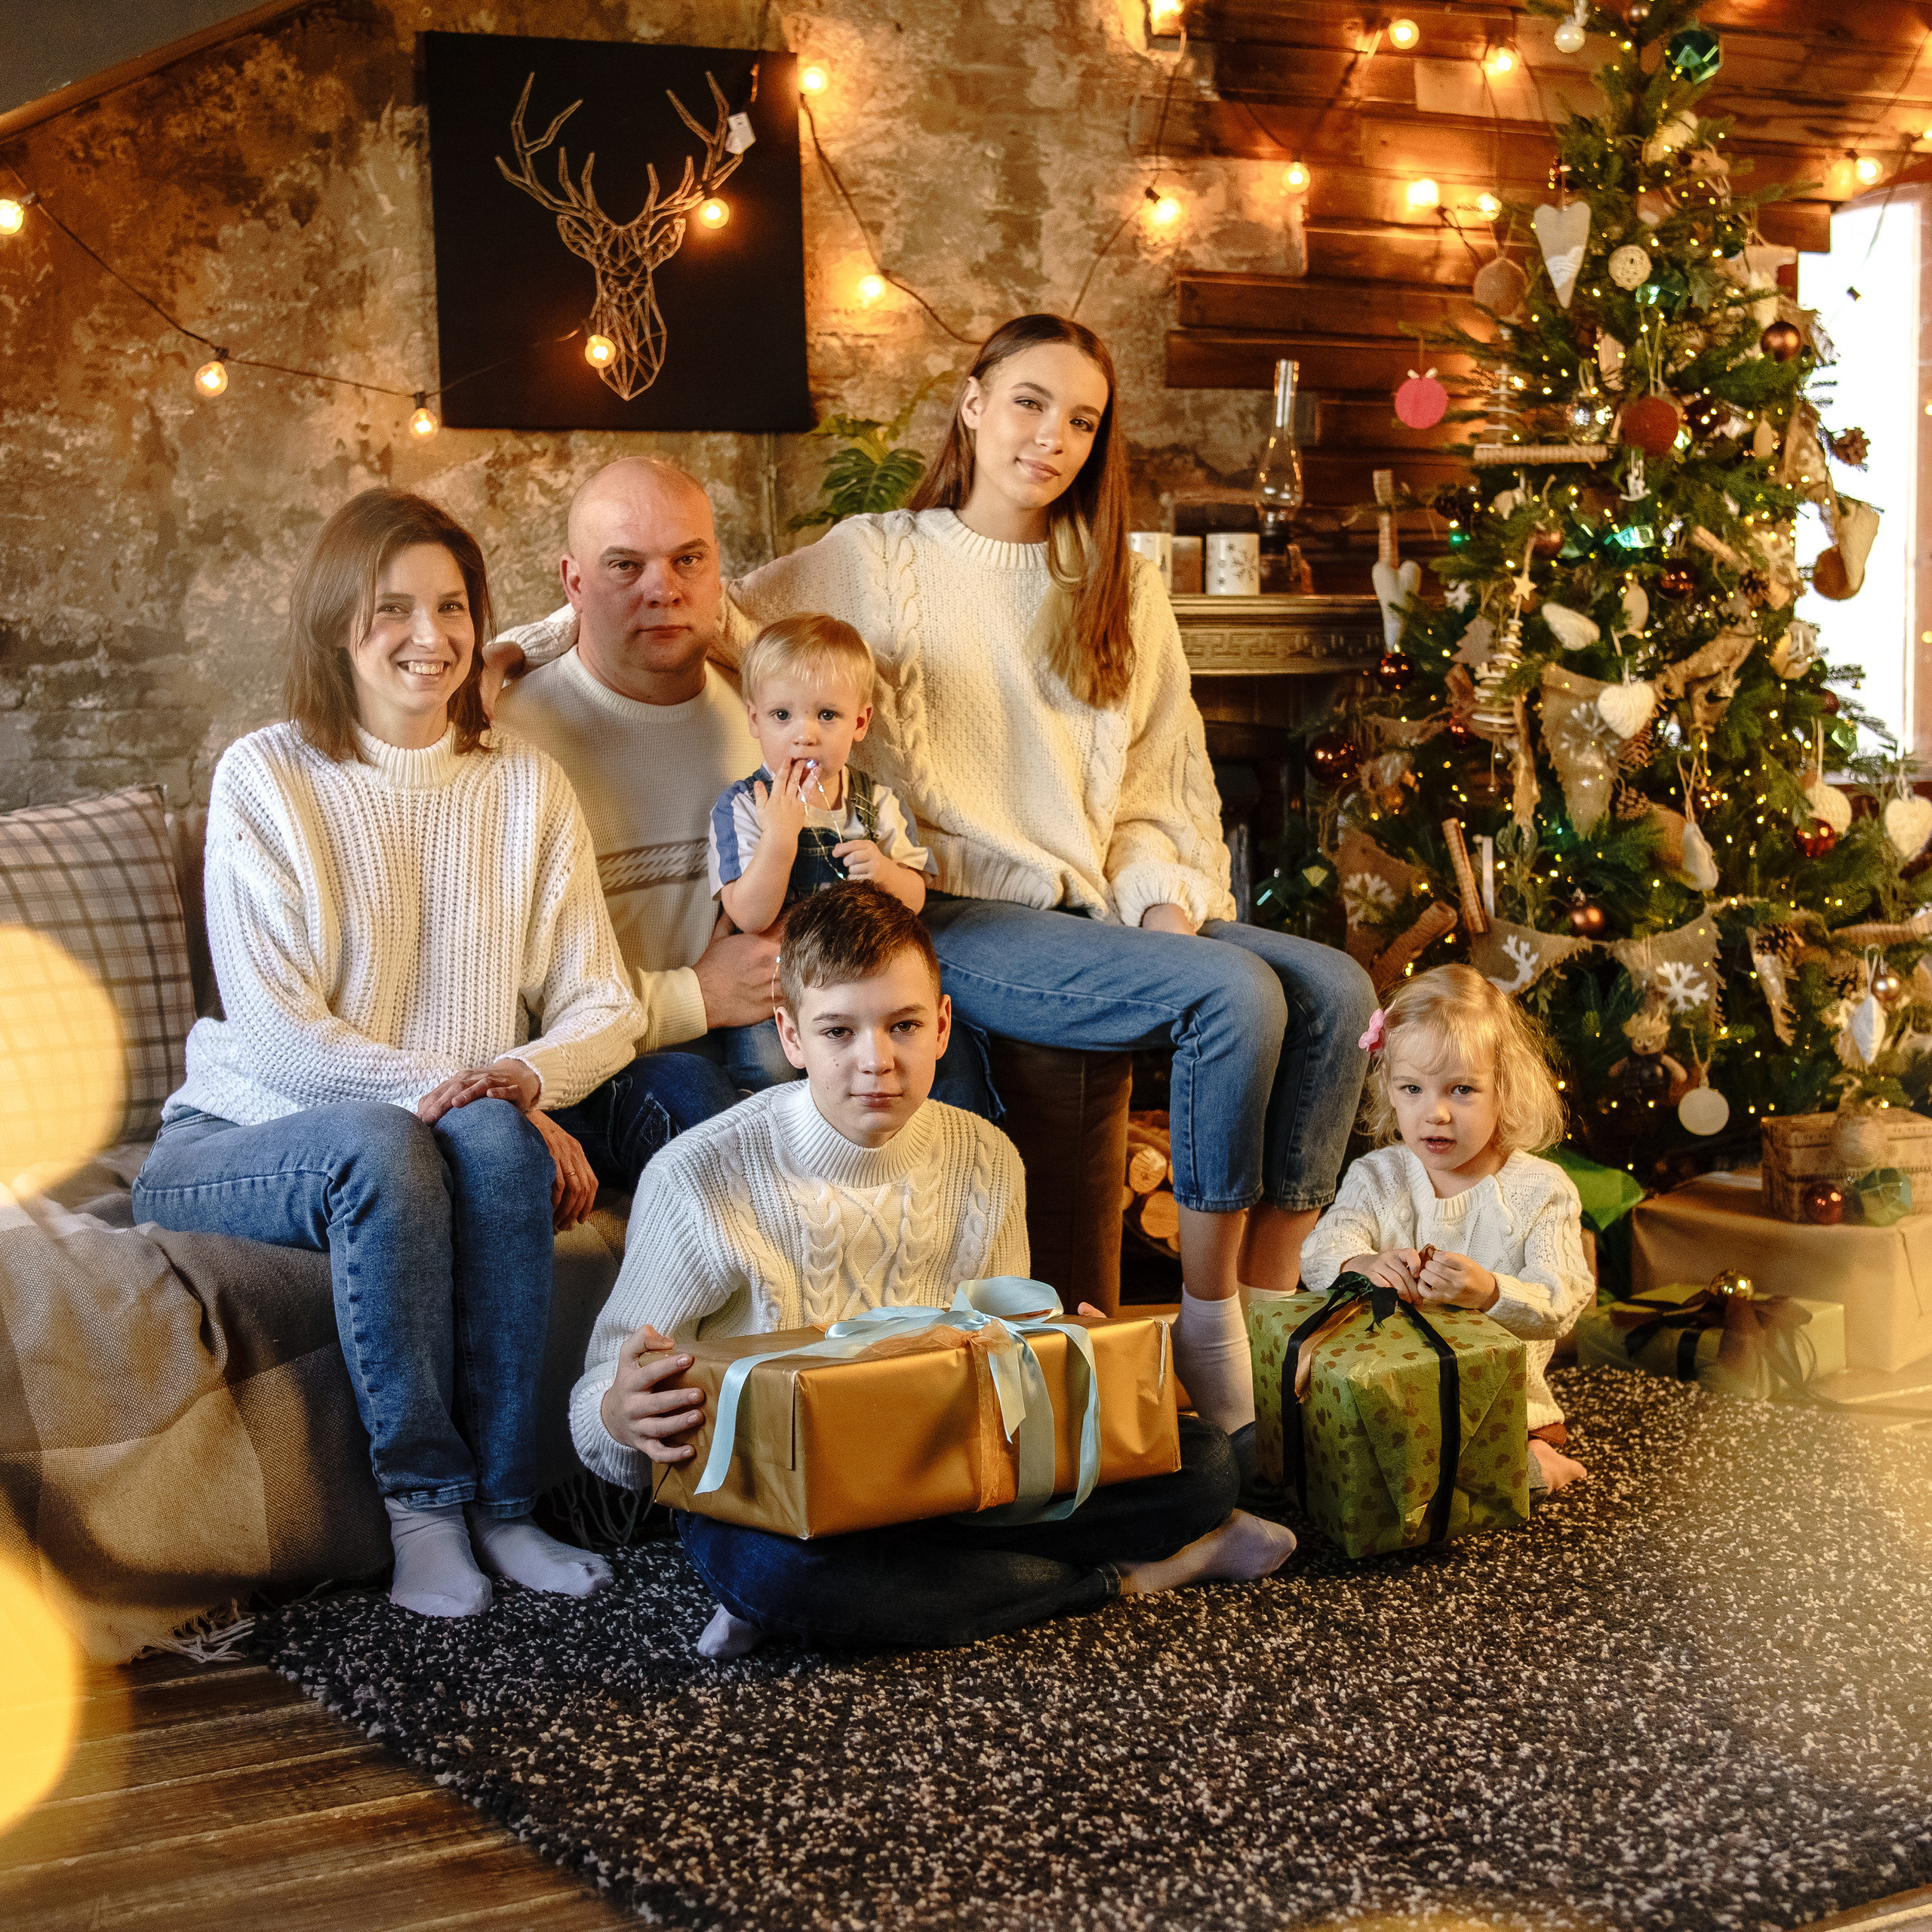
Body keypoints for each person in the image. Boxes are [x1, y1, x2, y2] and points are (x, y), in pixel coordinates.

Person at [722, 313, 1378, 1453]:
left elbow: (1163, 777)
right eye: (1029, 402)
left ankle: (1271, 1304)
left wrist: (1165, 909)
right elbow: (714, 606)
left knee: (1335, 989)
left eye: (1081, 420)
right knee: (1235, 997)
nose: (1052, 437)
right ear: (974, 403)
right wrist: (531, 644)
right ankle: (1207, 1328)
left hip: (1092, 907)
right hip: (947, 905)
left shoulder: (1121, 578)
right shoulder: (877, 554)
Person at [133, 488, 644, 1618]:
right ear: (336, 624)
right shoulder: (267, 776)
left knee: (493, 1147)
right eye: (394, 608)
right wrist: (473, 1093)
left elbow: (605, 1005)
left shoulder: (522, 783)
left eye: (452, 606)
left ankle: (505, 1508)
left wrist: (519, 1084)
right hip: (236, 1137)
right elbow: (279, 1034)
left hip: (436, 1127)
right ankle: (422, 1511)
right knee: (391, 1147)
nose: (431, 635)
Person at [572, 883, 1298, 1655]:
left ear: (942, 1025)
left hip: (944, 1469)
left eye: (904, 1025)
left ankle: (924, 1585)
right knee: (774, 1574)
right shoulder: (698, 1176)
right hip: (773, 1499)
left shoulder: (985, 1157)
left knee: (1204, 1465)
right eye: (838, 1031)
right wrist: (619, 1414)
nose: (876, 1061)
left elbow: (1002, 1372)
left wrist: (1067, 1361)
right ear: (790, 1035)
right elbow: (596, 1403)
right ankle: (1124, 1578)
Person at [489, 457, 994, 1119]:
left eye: (688, 560)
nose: (664, 589)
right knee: (701, 1094)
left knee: (952, 1056)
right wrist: (697, 996)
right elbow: (499, 1004)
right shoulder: (505, 740)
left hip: (804, 1016)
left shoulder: (776, 714)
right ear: (573, 582)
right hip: (620, 1064)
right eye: (625, 566)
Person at [1296, 964, 1593, 1497]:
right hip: (1391, 1387)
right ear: (1390, 1090)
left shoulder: (1542, 1189)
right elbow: (1321, 1249)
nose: (1434, 1113)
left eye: (1461, 1090)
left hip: (1501, 1398)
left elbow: (1564, 1298)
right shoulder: (1378, 1175)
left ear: (1503, 1091)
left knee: (1513, 1452)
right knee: (1349, 1452)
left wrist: (1492, 1292)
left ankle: (1531, 1455)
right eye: (1412, 1088)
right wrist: (1361, 1264)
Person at [709, 613, 931, 1089]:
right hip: (777, 987)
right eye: (782, 715)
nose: (804, 734)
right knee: (769, 1067)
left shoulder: (877, 802)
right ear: (754, 719)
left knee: (926, 1056)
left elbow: (915, 899)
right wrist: (779, 839)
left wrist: (885, 873)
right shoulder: (743, 806)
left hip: (866, 980)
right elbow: (750, 915)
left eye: (827, 715)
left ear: (860, 722)